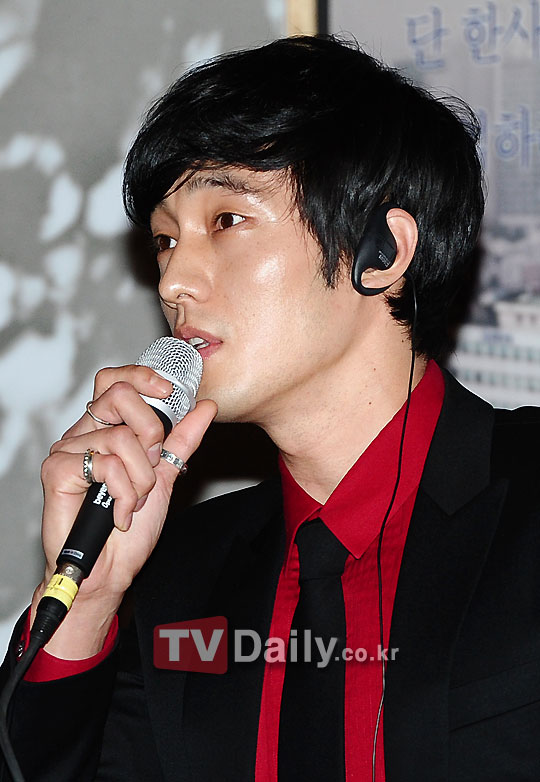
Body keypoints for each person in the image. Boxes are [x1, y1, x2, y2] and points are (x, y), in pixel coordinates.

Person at [2, 34, 540, 782]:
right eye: (164, 240)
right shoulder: (175, 582)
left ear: (382, 251)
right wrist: (87, 606)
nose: (173, 281)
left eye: (226, 220)